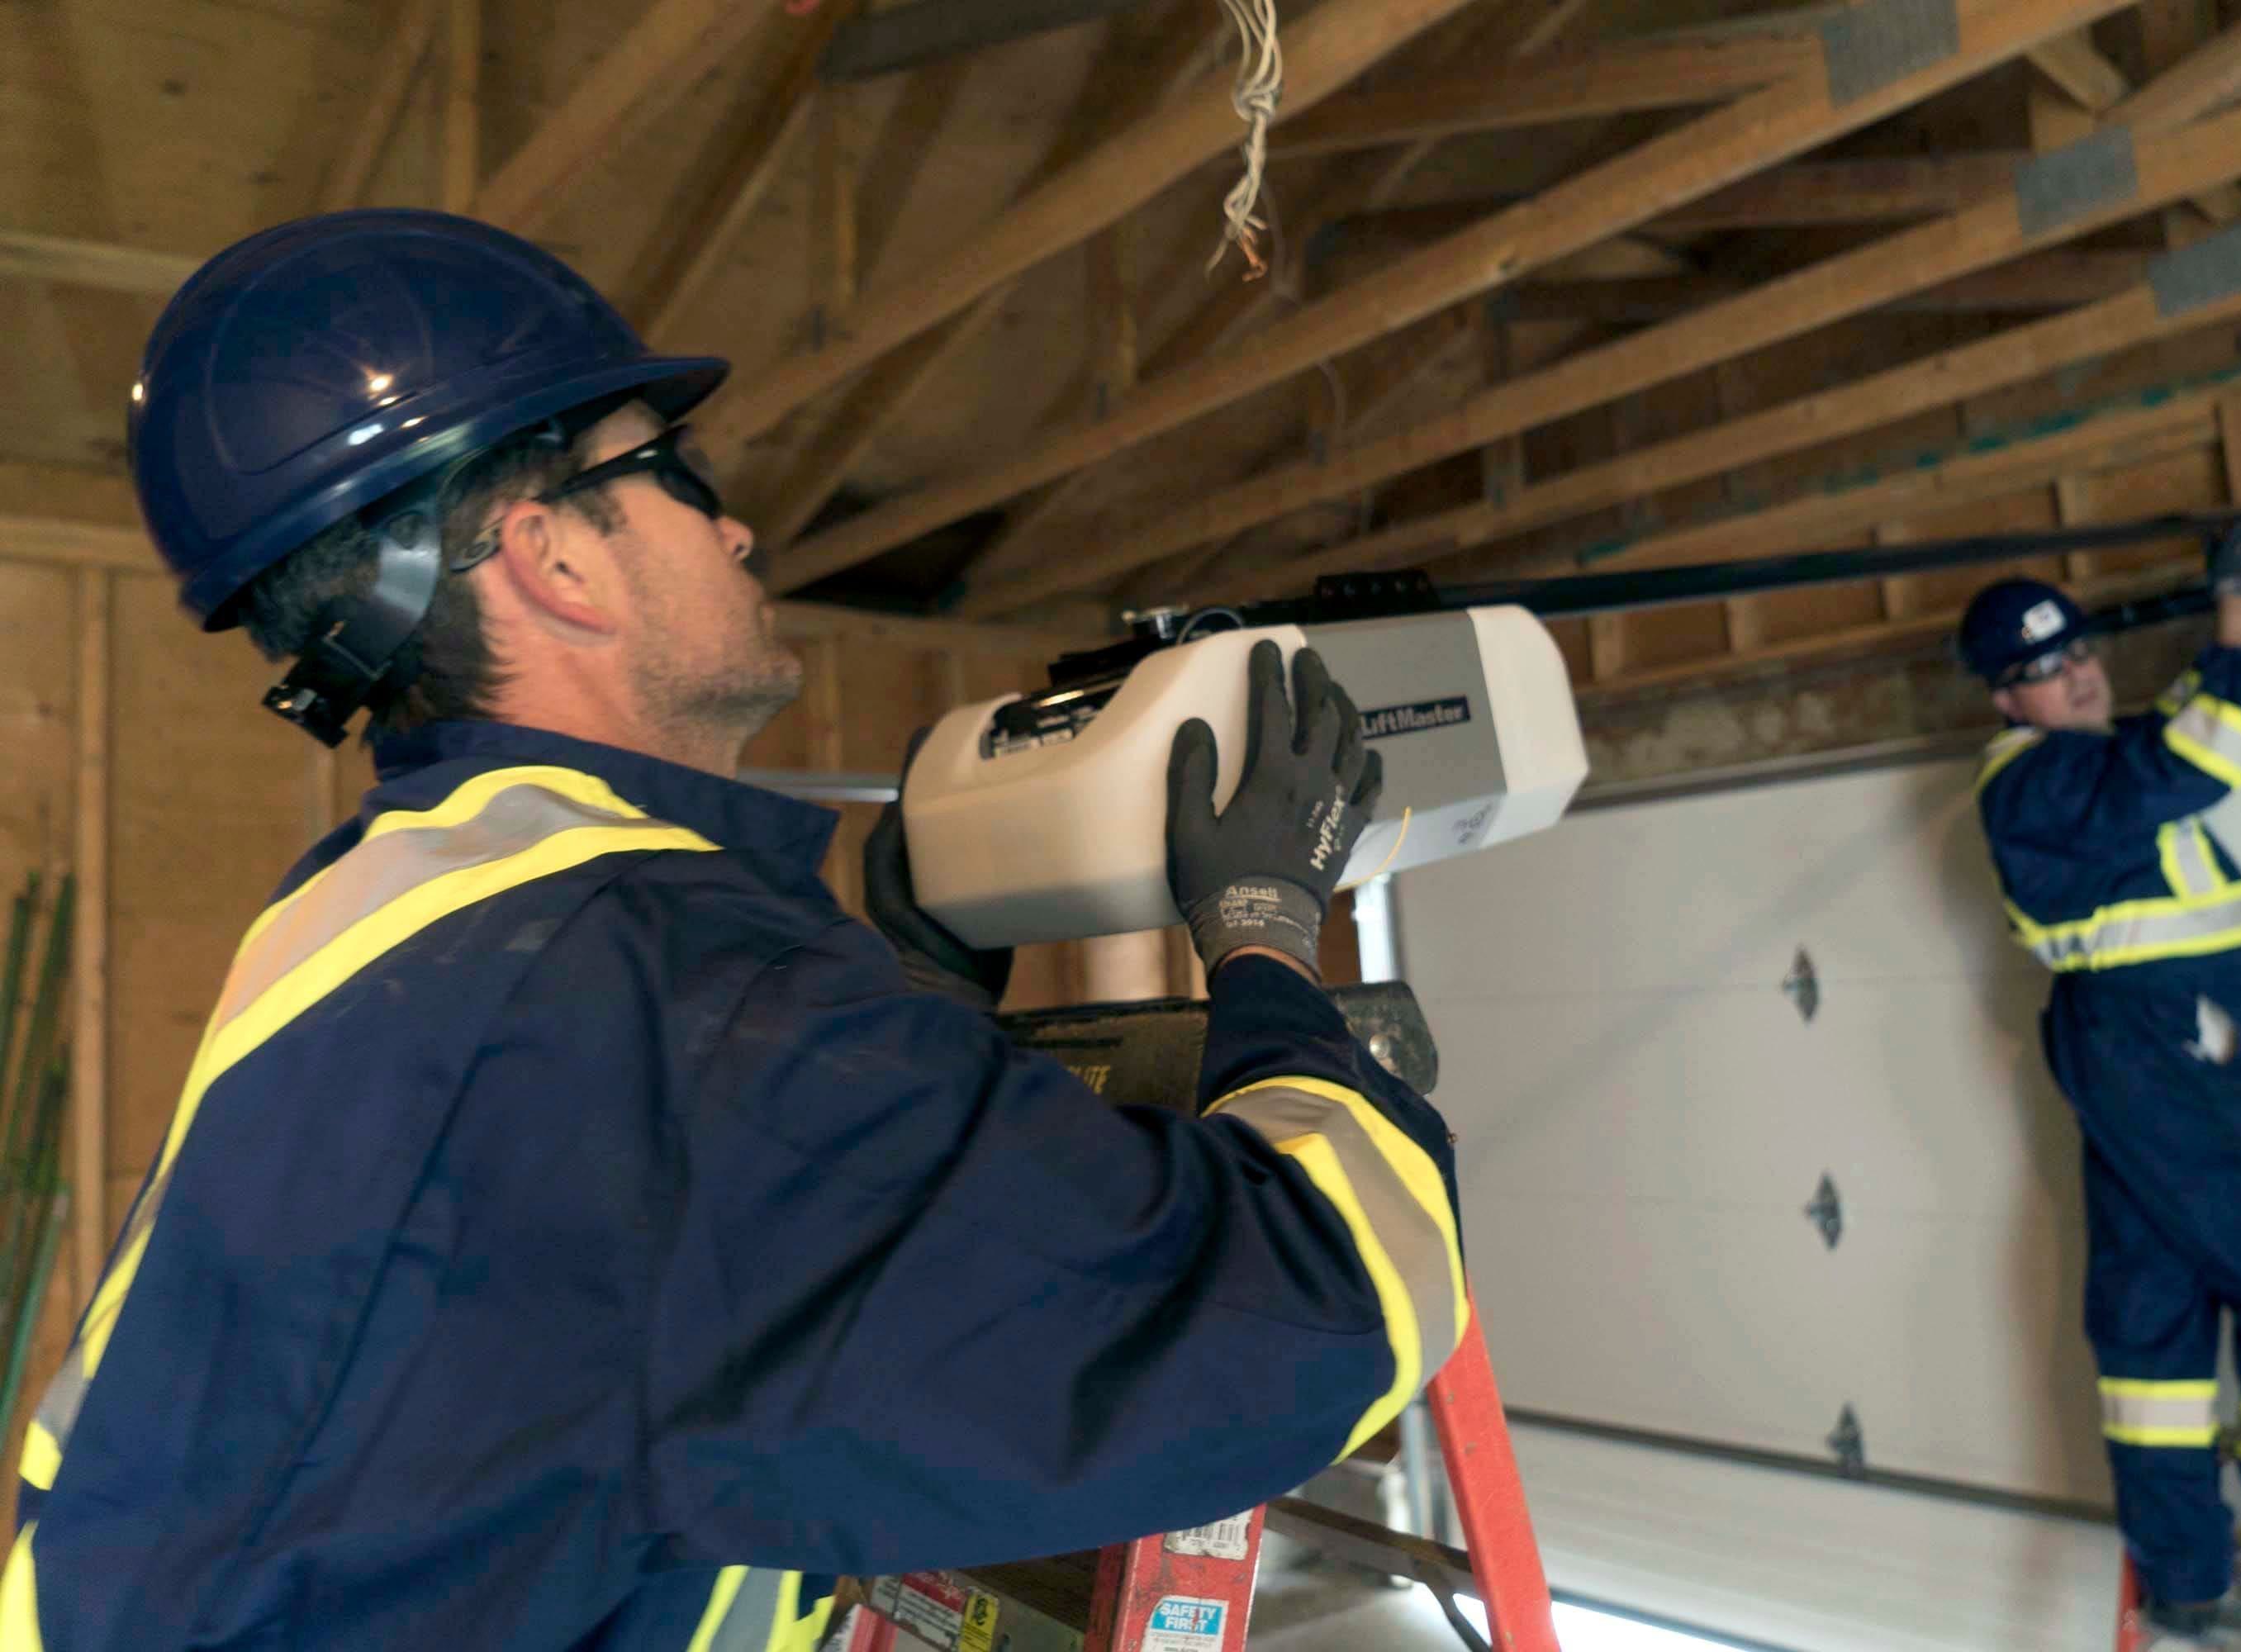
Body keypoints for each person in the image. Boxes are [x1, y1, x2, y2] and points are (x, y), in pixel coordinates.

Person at [1, 210, 1460, 1651]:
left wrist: (897, 1006)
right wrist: (1267, 934)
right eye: (672, 472)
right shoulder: (664, 979)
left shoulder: (384, 907)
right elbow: (1306, 1309)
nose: (736, 521)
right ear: (551, 563)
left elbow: (607, 1326)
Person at [1959, 534, 2241, 1650]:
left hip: (2147, 1061)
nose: (2080, 672)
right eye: (2049, 668)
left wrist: (2216, 654)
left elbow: (2167, 744)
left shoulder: (2078, 772)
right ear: (2006, 697)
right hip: (2184, 1060)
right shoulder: (2044, 778)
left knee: (2152, 1314)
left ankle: (2188, 1585)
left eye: (2080, 649)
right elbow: (2208, 751)